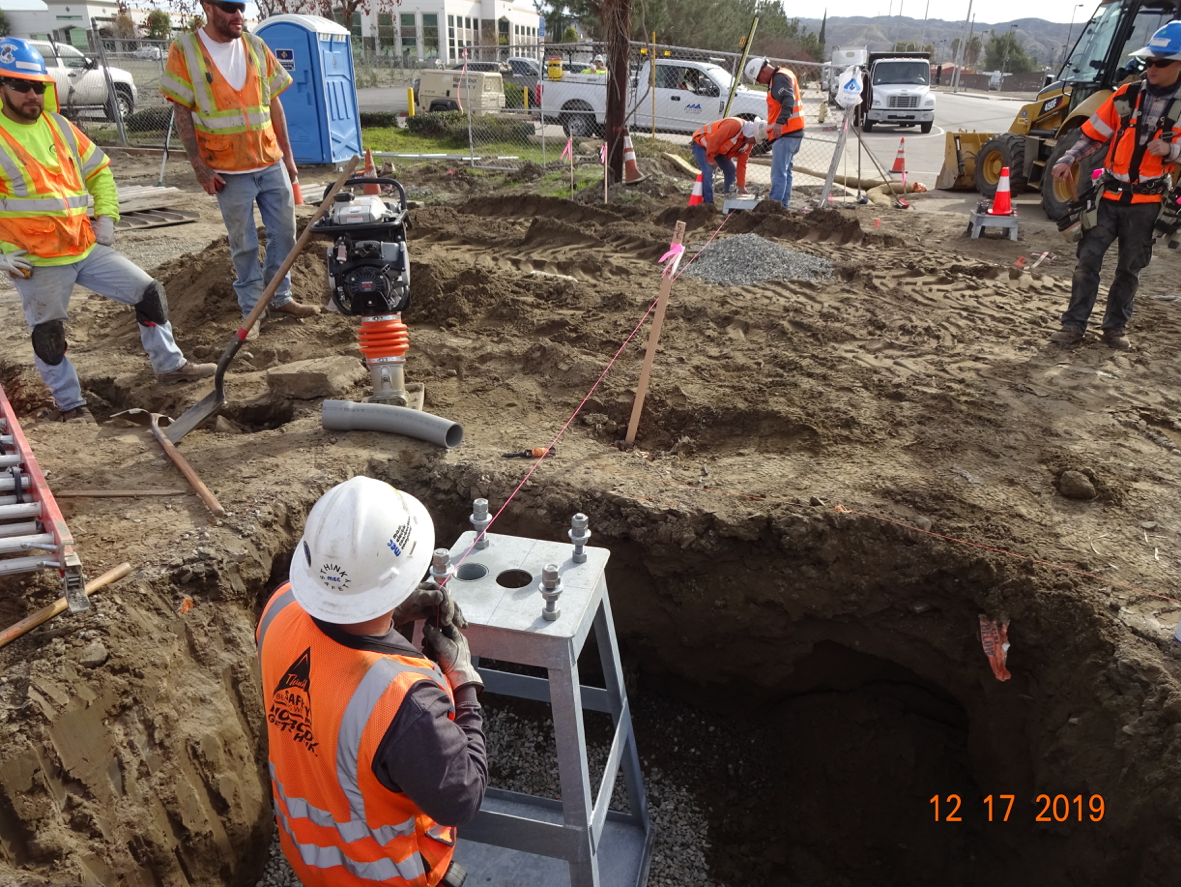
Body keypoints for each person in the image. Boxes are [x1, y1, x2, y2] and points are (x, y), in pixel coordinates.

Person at [256, 476, 486, 887]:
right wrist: (465, 684)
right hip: (381, 877)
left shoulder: (279, 608)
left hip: (308, 858)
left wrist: (390, 611)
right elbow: (461, 797)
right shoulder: (402, 701)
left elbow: (333, 653)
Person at [0, 38, 214, 425]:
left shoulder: (59, 126)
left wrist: (108, 217)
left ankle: (170, 366)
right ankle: (71, 405)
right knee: (49, 334)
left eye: (39, 86)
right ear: (2, 87)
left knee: (149, 292)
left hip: (83, 245)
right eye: (21, 86)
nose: (32, 94)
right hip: (36, 258)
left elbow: (98, 172)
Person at [160, 0, 319, 337]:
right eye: (230, 7)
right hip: (227, 169)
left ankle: (280, 296)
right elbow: (182, 113)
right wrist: (200, 169)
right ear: (208, 6)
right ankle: (253, 310)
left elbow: (274, 103)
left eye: (241, 7)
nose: (238, 14)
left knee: (286, 233)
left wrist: (288, 157)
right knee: (244, 244)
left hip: (269, 160)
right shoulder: (185, 50)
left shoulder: (256, 45)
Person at [1049, 21, 1181, 351]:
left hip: (1147, 203)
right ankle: (1073, 326)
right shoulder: (1127, 95)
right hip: (1108, 195)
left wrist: (1172, 150)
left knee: (1129, 270)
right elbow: (1094, 135)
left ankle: (1115, 329)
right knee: (1087, 261)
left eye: (1161, 63)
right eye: (1149, 61)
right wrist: (1068, 159)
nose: (1151, 67)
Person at [744, 57, 805, 208]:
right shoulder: (784, 74)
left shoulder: (779, 79)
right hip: (793, 131)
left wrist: (779, 123)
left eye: (758, 78)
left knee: (778, 173)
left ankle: (773, 207)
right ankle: (782, 206)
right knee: (786, 172)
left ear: (763, 71)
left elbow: (788, 100)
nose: (759, 82)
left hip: (786, 132)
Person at [690, 116, 766, 204]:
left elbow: (742, 164)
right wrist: (710, 158)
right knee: (708, 170)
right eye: (755, 139)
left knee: (731, 170)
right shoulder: (734, 126)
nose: (755, 143)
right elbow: (714, 140)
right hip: (702, 145)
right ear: (750, 134)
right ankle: (708, 203)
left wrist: (741, 185)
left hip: (718, 151)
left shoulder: (748, 144)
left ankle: (729, 203)